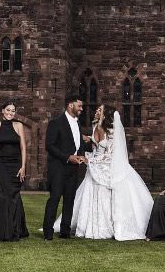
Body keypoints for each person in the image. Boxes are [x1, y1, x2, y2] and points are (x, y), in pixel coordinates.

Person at [54, 105, 154, 240]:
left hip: (106, 166)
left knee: (106, 196)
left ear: (105, 115)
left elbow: (110, 155)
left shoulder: (111, 132)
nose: (96, 111)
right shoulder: (96, 127)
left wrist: (89, 159)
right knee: (91, 193)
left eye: (100, 110)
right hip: (96, 165)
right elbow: (96, 145)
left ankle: (106, 226)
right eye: (97, 109)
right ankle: (89, 226)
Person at [42, 94, 93, 240]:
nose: (82, 109)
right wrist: (68, 157)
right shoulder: (56, 123)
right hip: (58, 167)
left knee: (70, 199)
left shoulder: (77, 123)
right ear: (70, 106)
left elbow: (78, 143)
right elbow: (49, 146)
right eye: (79, 106)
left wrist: (81, 155)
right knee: (55, 198)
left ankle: (65, 231)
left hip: (73, 168)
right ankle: (48, 232)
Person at [0, 102, 29, 240]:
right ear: (2, 110)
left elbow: (23, 147)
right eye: (8, 110)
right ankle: (9, 229)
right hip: (2, 165)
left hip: (16, 165)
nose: (11, 113)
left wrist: (23, 167)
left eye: (13, 111)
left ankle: (16, 229)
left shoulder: (19, 125)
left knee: (15, 195)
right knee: (7, 195)